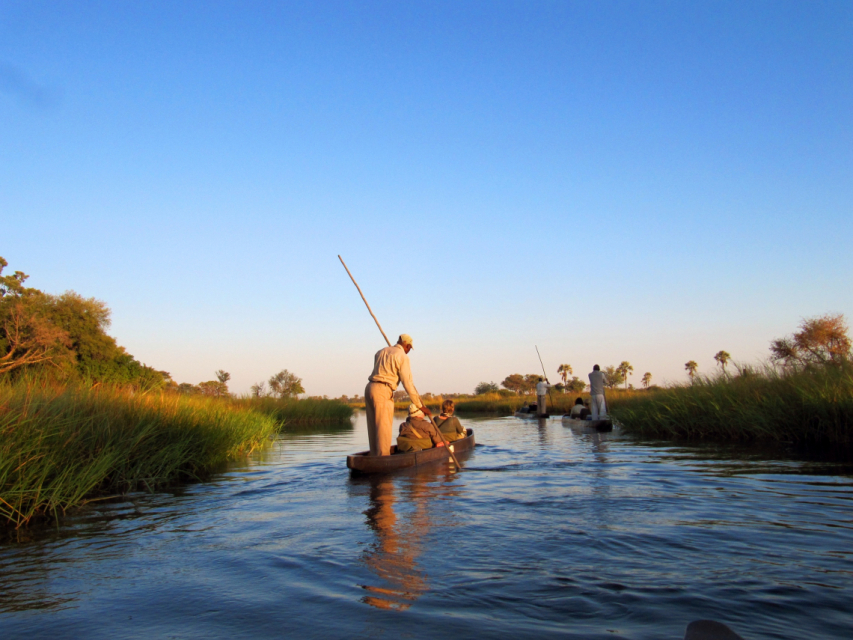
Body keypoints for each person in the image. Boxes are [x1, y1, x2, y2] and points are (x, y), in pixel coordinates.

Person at [365, 334, 430, 456]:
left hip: (370, 388)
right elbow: (408, 383)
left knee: (373, 428)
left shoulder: (381, 351)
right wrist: (420, 406)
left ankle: (374, 456)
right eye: (409, 348)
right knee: (383, 429)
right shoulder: (402, 357)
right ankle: (383, 460)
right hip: (383, 390)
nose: (409, 351)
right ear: (406, 345)